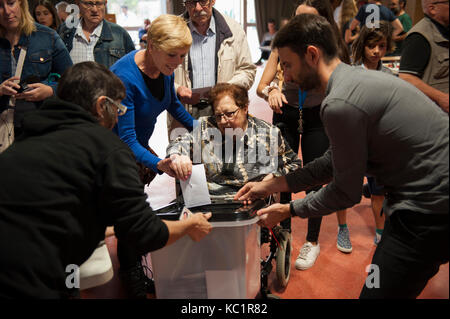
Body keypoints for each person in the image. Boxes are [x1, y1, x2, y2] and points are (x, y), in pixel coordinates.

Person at [235, 14, 449, 299]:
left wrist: (288, 210)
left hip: (429, 210)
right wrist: (274, 185)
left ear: (312, 55)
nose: (285, 76)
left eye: (287, 65)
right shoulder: (353, 79)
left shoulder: (338, 104)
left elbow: (345, 193)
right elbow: (331, 162)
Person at [0, 61, 212, 299]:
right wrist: (190, 226)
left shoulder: (29, 137)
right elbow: (145, 233)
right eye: (118, 110)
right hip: (35, 275)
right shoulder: (107, 149)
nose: (117, 118)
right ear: (102, 106)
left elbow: (52, 212)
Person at [257, 0, 352, 272]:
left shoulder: (331, 47)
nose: (299, 25)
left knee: (314, 177)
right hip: (285, 113)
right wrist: (271, 91)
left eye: (306, 19)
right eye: (296, 18)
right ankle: (283, 233)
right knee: (283, 176)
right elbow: (262, 86)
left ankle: (312, 240)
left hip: (317, 116)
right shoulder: (283, 42)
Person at [110, 14, 196, 298]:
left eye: (183, 55)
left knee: (131, 213)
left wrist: (204, 130)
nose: (178, 62)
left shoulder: (163, 69)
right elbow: (127, 141)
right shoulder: (125, 77)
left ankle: (132, 265)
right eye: (173, 54)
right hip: (112, 152)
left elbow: (172, 104)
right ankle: (131, 274)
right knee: (130, 214)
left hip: (136, 147)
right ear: (153, 46)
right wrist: (159, 164)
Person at [167, 83, 302, 198]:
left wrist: (271, 179)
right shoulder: (205, 126)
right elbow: (178, 144)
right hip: (212, 201)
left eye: (230, 114)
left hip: (253, 200)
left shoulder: (267, 133)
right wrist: (176, 156)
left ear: (245, 108)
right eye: (219, 115)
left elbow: (294, 165)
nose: (223, 121)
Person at [170, 0, 256, 132]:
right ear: (184, 4)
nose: (198, 8)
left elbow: (247, 71)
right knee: (185, 151)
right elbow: (158, 73)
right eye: (192, 3)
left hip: (225, 111)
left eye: (203, 1)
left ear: (213, 1)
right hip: (182, 108)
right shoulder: (172, 31)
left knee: (226, 151)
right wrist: (178, 90)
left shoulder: (234, 29)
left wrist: (224, 91)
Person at [0, 0, 72, 138]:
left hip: (40, 126)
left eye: (10, 3)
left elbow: (71, 79)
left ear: (21, 4)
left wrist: (50, 90)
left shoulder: (47, 36)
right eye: (0, 6)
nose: (7, 11)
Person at [351, 20, 396, 244]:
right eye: (372, 46)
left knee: (379, 192)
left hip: (378, 142)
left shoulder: (389, 75)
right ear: (363, 46)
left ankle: (380, 234)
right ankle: (342, 228)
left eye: (382, 46)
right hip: (354, 139)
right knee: (345, 187)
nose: (377, 51)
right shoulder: (350, 72)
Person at [399, 0, 449, 114]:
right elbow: (406, 78)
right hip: (434, 116)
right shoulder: (419, 37)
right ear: (432, 9)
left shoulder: (444, 32)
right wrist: (441, 98)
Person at [59, 0, 135, 67]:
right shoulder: (64, 32)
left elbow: (133, 70)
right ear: (78, 4)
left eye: (99, 3)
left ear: (105, 3)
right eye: (88, 4)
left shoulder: (119, 34)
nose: (94, 9)